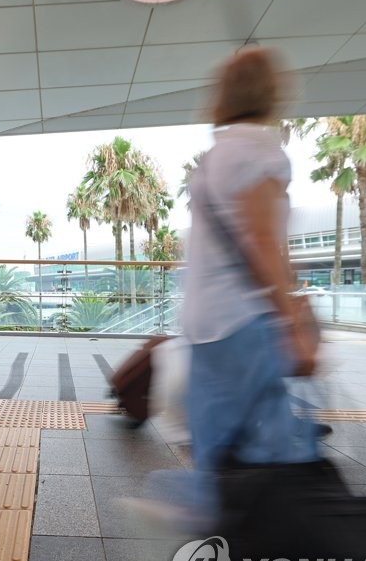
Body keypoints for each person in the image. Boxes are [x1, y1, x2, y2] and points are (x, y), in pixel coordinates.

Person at [126, 47, 321, 532]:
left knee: (214, 433)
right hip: (244, 318)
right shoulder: (261, 151)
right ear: (270, 93)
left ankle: (198, 503)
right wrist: (291, 320)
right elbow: (262, 241)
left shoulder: (214, 157)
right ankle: (297, 528)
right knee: (277, 429)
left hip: (203, 319)